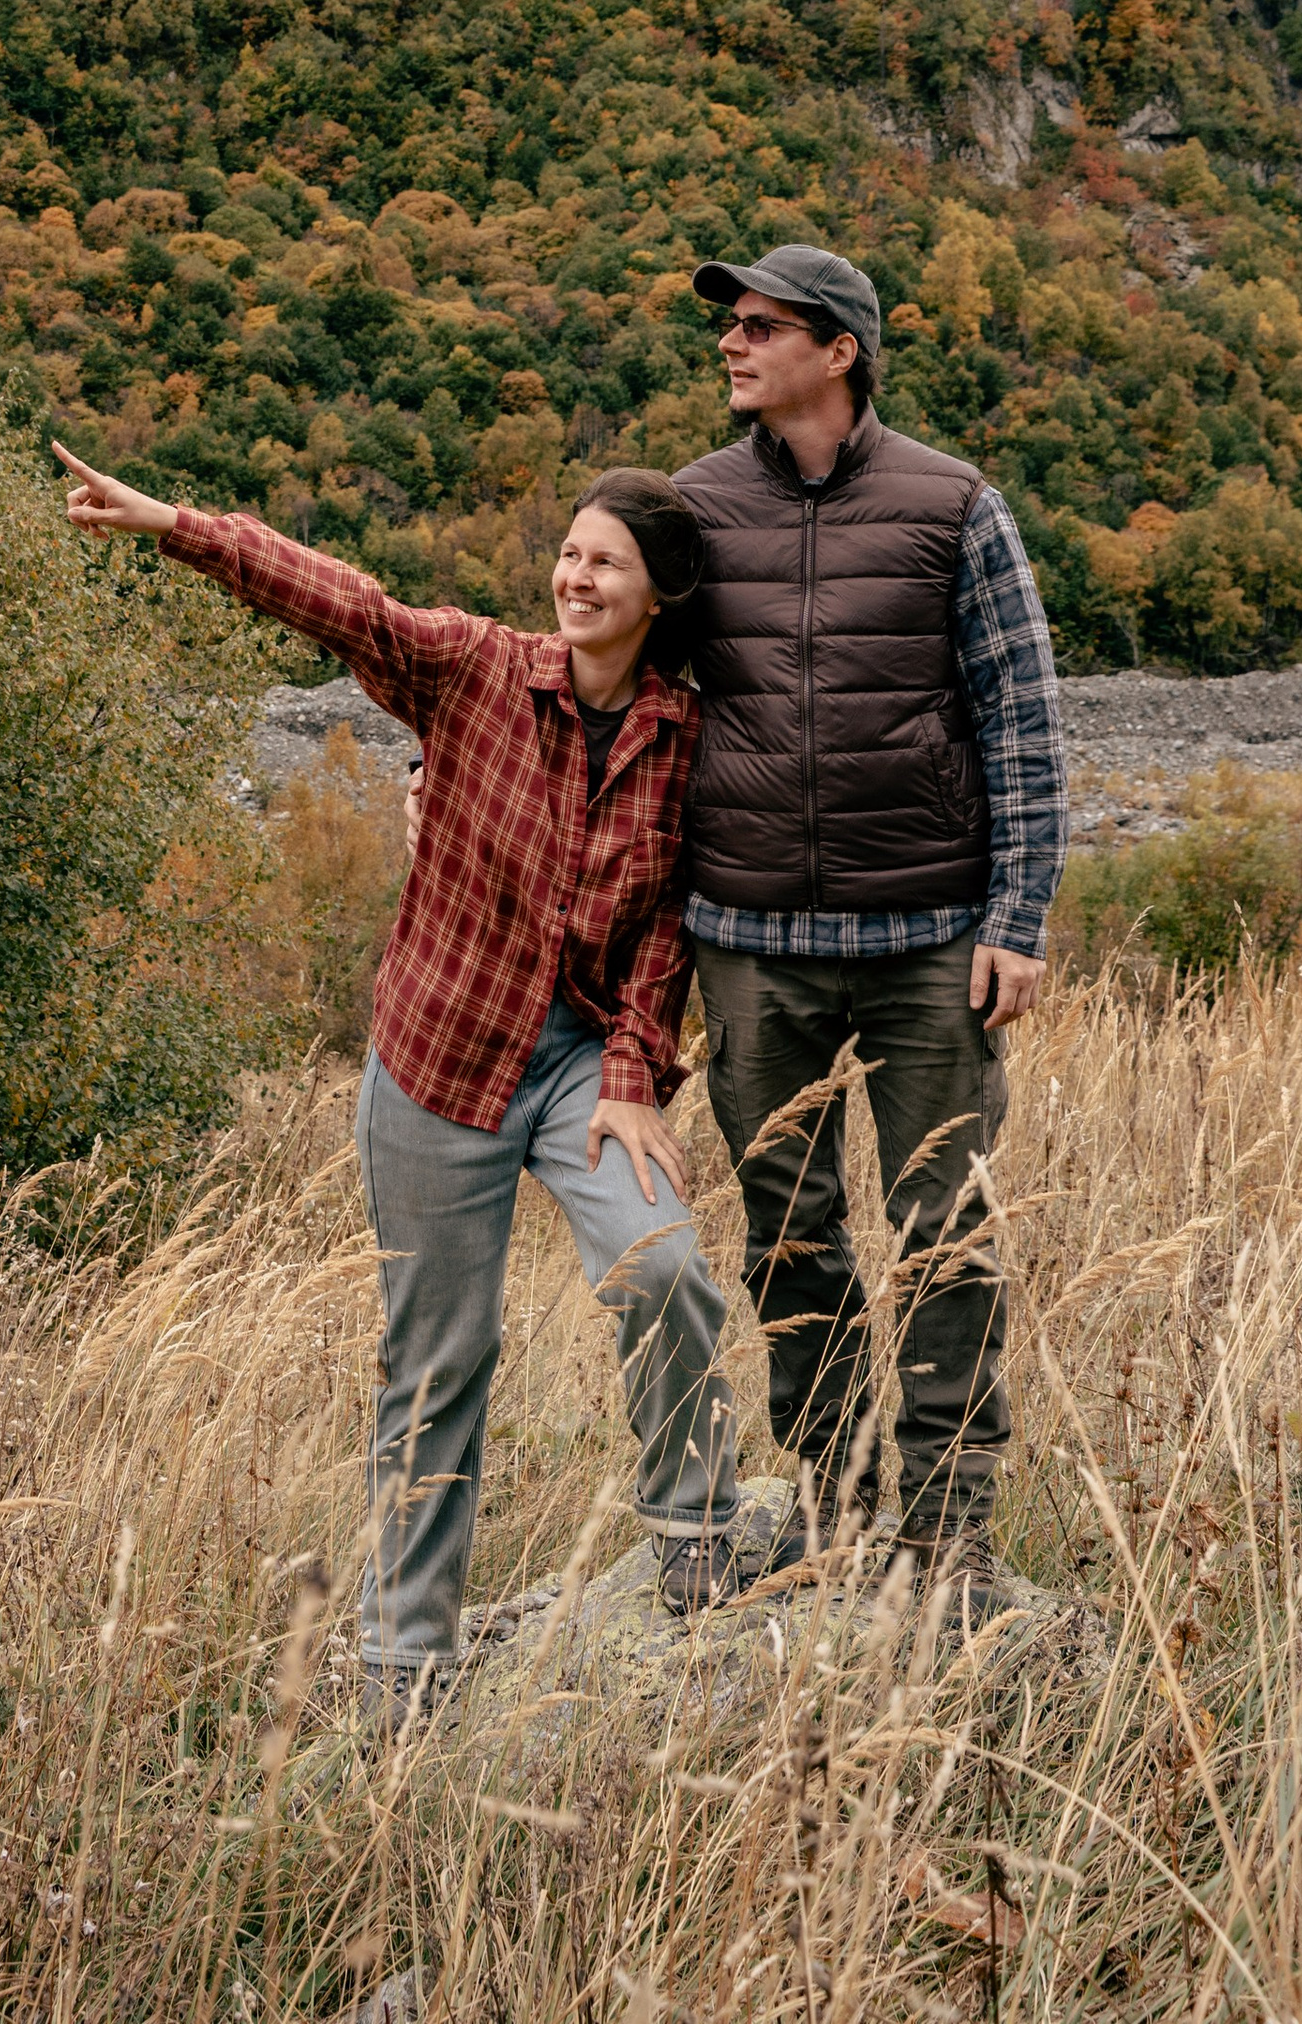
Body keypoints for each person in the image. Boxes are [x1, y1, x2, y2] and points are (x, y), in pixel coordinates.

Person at [52, 442, 761, 1714]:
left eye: (605, 563)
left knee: (664, 1270)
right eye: (569, 554)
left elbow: (669, 927)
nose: (575, 578)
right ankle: (403, 1663)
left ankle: (694, 1530)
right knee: (437, 1364)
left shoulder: (684, 737)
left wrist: (635, 1069)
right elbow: (343, 601)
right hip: (439, 1056)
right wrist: (174, 525)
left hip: (582, 1067)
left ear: (658, 594)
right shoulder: (477, 669)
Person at [669, 243, 1068, 1620]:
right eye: (730, 324)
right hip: (748, 938)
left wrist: (1018, 917)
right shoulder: (694, 509)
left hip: (929, 940)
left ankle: (948, 1529)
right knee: (789, 1236)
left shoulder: (955, 506)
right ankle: (834, 1501)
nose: (732, 343)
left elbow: (1021, 720)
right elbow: (611, 670)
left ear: (839, 349)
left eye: (759, 324)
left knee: (944, 1232)